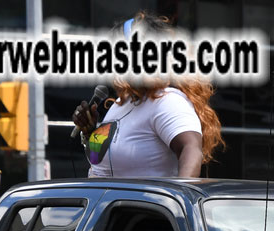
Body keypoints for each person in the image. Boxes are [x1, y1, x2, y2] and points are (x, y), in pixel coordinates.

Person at [73, 12, 224, 178]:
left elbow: (190, 149)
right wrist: (90, 132)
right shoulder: (121, 103)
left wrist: (180, 197)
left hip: (142, 204)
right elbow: (99, 161)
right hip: (106, 202)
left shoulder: (167, 101)